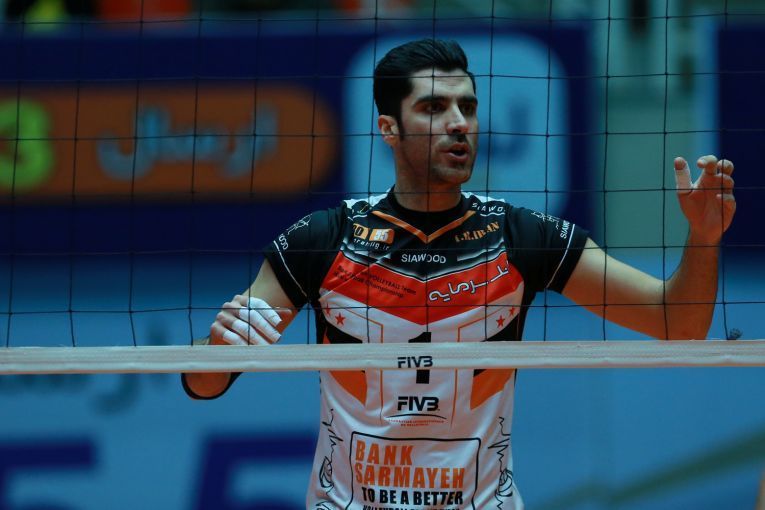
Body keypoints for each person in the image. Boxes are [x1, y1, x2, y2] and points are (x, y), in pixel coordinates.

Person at [182, 39, 736, 509]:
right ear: (388, 128)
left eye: (467, 107)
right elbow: (205, 383)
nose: (458, 123)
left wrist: (704, 237)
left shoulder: (522, 236)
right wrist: (218, 346)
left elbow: (678, 324)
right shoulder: (324, 240)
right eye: (434, 107)